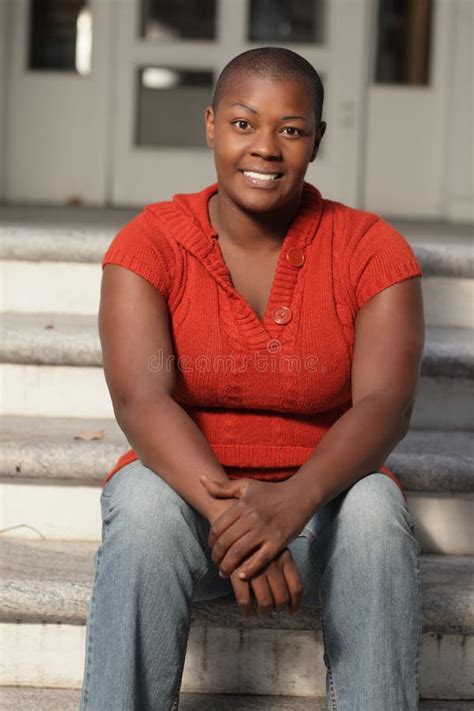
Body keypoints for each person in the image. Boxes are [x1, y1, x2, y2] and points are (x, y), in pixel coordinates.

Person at [80, 47, 424, 710]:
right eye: (244, 123)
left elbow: (386, 404)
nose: (265, 147)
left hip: (323, 503)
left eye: (290, 129)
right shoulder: (150, 243)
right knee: (145, 509)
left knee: (378, 513)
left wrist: (291, 503)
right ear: (211, 125)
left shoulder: (371, 249)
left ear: (315, 140)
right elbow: (140, 395)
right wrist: (238, 520)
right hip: (191, 500)